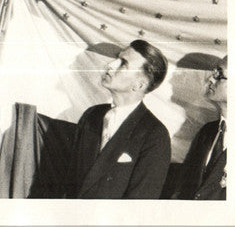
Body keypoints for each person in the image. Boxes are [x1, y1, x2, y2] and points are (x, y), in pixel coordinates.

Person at [71, 41, 171, 198]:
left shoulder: (155, 135)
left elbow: (139, 205)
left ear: (138, 85)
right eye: (116, 58)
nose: (110, 65)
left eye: (123, 63)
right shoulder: (91, 115)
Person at [173, 56, 227, 200]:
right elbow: (184, 186)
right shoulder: (207, 132)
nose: (210, 79)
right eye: (213, 73)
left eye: (219, 75)